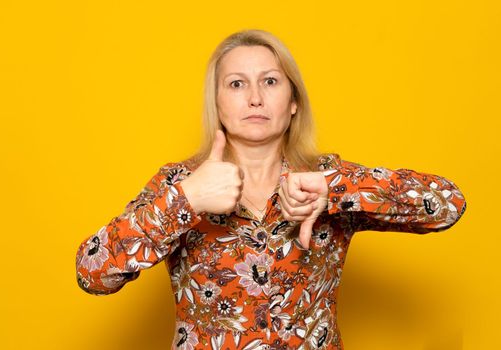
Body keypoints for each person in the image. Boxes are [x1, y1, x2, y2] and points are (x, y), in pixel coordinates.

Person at [75, 29, 467, 350]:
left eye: (270, 81)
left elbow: (448, 203)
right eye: (236, 83)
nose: (255, 98)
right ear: (217, 101)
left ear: (293, 100)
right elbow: (93, 273)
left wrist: (336, 189)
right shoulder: (180, 182)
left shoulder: (325, 177)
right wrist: (186, 199)